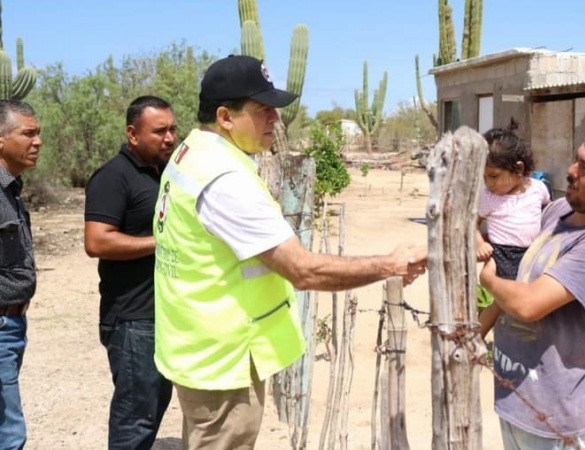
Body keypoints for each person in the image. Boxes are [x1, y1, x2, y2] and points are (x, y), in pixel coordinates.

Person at [152, 54, 427, 449]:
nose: (276, 121)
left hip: (197, 347)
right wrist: (391, 264)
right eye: (264, 111)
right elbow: (303, 271)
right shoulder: (225, 180)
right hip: (224, 363)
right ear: (225, 116)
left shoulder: (192, 153)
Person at [479, 125, 585, 449]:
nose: (570, 171)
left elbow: (527, 304)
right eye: (576, 160)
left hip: (552, 416)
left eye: (584, 168)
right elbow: (520, 278)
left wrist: (488, 279)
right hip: (514, 396)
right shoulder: (558, 211)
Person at [84, 96, 177, 449]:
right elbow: (97, 241)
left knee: (152, 407)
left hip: (160, 316)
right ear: (132, 134)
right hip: (132, 320)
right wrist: (163, 243)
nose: (169, 137)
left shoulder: (161, 175)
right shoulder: (113, 176)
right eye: (159, 131)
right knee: (135, 419)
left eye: (172, 129)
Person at [475, 122, 550, 337]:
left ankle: (527, 340)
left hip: (533, 253)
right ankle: (475, 340)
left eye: (494, 176)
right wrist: (481, 244)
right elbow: (472, 225)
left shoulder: (538, 189)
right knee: (502, 302)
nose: (489, 183)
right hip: (502, 255)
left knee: (535, 299)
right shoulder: (489, 198)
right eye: (484, 177)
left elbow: (548, 213)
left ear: (518, 169)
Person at [0, 99, 41, 450]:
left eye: (38, 133)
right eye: (28, 133)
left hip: (12, 325)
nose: (37, 141)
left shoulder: (11, 188)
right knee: (9, 435)